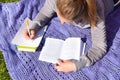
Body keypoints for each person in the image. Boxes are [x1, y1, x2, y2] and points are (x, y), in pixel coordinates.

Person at [23, 0, 114, 72]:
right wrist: (34, 26)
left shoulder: (96, 10)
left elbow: (100, 47)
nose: (62, 23)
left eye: (67, 21)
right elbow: (45, 13)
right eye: (58, 15)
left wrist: (76, 65)